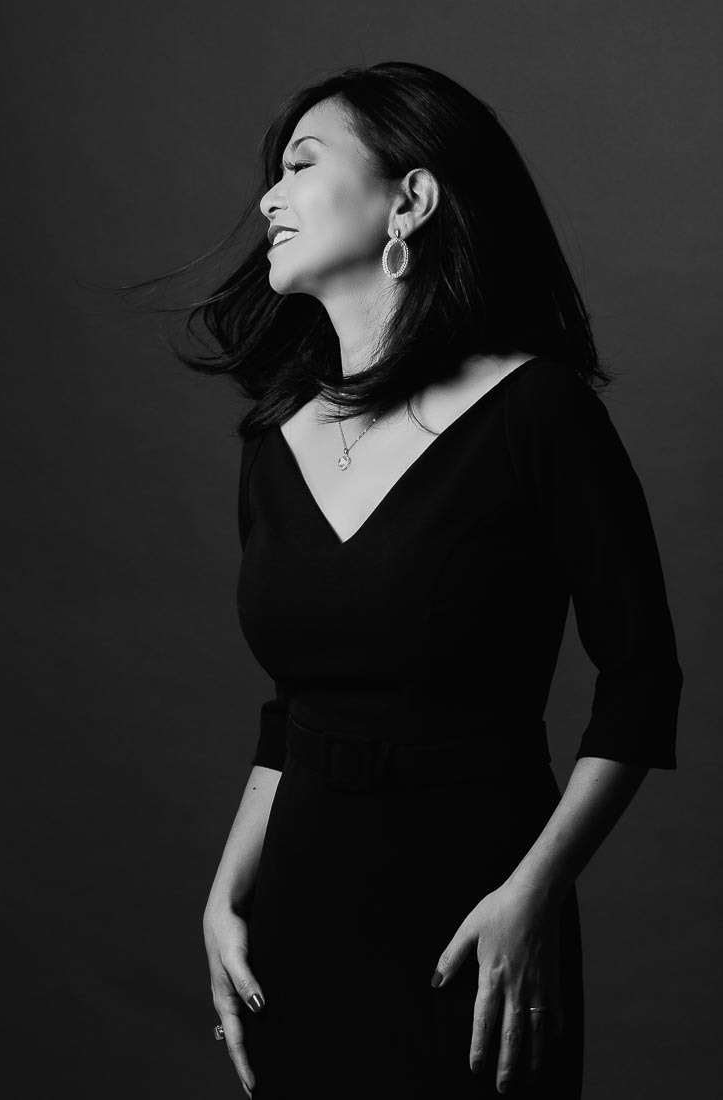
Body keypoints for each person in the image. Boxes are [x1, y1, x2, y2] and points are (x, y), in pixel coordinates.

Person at [196, 62, 683, 1099]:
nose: (269, 199)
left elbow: (642, 681)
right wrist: (225, 891)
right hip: (297, 914)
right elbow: (293, 709)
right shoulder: (274, 442)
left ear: (409, 199)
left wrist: (532, 893)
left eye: (300, 165)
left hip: (477, 916)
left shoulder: (538, 410)